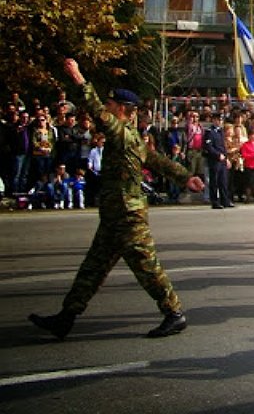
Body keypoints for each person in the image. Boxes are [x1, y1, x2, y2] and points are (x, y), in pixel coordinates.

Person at [28, 59, 205, 340]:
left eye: (112, 105)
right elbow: (157, 160)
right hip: (115, 214)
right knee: (93, 267)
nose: (108, 108)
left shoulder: (121, 133)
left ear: (122, 110)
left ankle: (174, 313)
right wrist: (185, 177)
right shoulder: (131, 136)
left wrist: (78, 78)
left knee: (146, 266)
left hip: (127, 214)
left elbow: (97, 112)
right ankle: (66, 317)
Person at [203, 112, 232, 209]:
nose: (220, 122)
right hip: (214, 160)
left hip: (222, 159)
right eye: (218, 120)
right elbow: (208, 147)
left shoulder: (220, 131)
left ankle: (225, 200)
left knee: (223, 181)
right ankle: (215, 202)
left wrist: (226, 158)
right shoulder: (209, 132)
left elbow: (223, 147)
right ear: (214, 120)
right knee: (214, 182)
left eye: (221, 120)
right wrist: (217, 155)